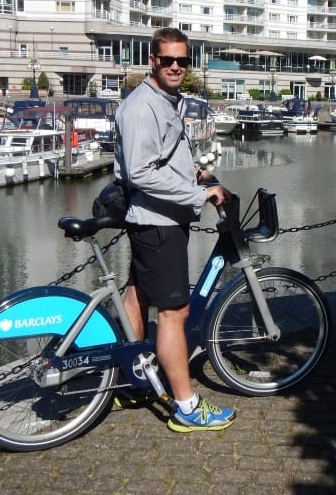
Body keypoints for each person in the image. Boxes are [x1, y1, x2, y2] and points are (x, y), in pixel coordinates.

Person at [113, 27, 235, 433]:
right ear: (153, 61)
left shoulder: (166, 101)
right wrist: (197, 195)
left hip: (159, 220)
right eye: (168, 60)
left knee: (138, 294)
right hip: (158, 225)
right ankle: (186, 406)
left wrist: (198, 174)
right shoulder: (141, 107)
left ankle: (132, 377)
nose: (176, 66)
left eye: (182, 60)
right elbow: (141, 172)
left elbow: (164, 157)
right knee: (174, 313)